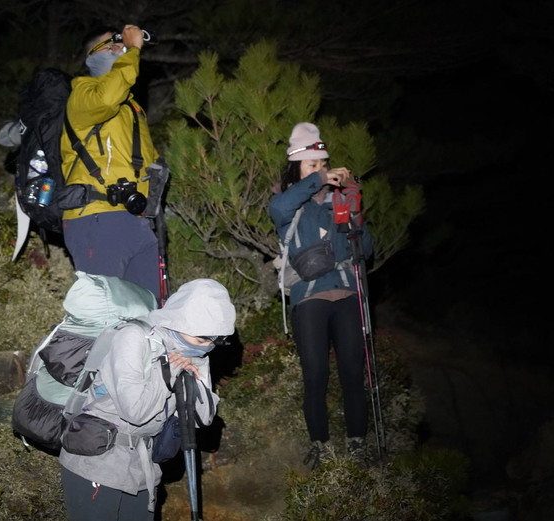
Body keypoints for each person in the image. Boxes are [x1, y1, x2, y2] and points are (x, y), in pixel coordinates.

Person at [59, 278, 237, 520]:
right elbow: (136, 412)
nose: (206, 348)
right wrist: (169, 373)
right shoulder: (134, 338)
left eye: (213, 342)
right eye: (202, 340)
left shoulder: (196, 352)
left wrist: (196, 378)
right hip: (97, 462)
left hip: (142, 469)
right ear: (181, 321)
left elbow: (202, 419)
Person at [268, 122, 373, 468]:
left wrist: (355, 215)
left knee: (352, 372)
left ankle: (357, 442)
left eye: (322, 164)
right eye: (311, 164)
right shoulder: (289, 205)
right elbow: (278, 209)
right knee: (315, 374)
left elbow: (366, 250)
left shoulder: (341, 200)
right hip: (309, 296)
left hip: (345, 293)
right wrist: (316, 179)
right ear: (297, 167)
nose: (321, 170)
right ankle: (320, 445)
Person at [60, 24, 161, 297]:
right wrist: (134, 50)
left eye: (122, 46)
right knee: (103, 312)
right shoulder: (83, 93)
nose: (119, 50)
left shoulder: (132, 108)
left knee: (150, 311)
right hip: (97, 216)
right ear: (91, 56)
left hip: (136, 220)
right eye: (111, 46)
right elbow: (108, 96)